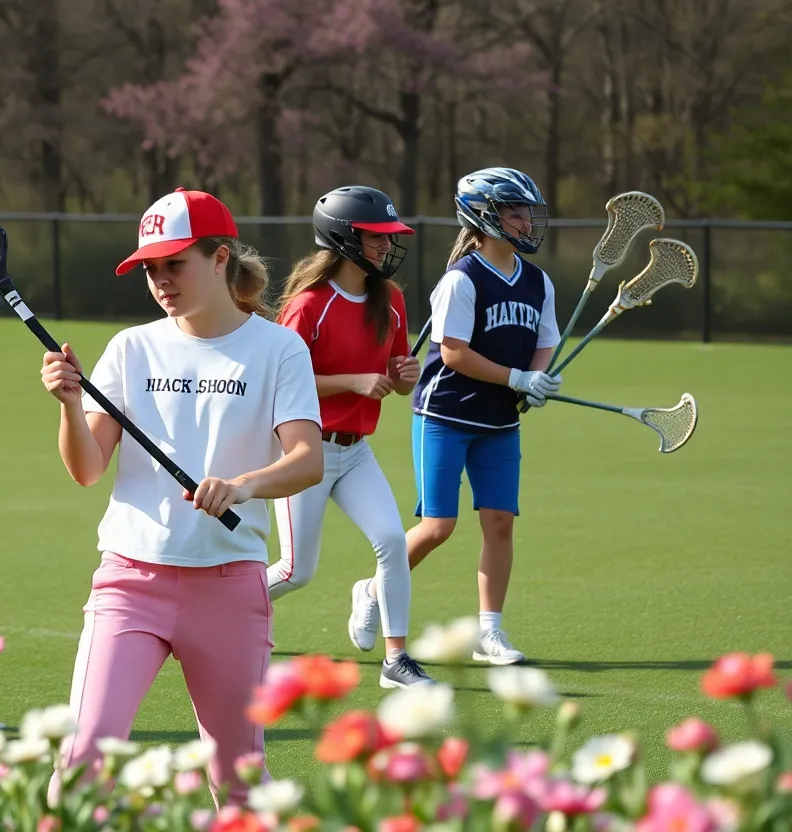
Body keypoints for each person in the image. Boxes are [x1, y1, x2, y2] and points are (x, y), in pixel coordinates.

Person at [40, 188, 323, 806]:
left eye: (176, 263)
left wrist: (242, 485)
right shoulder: (130, 348)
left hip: (227, 588)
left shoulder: (279, 349)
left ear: (220, 258)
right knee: (83, 761)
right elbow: (88, 469)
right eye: (150, 268)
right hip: (128, 585)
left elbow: (307, 460)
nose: (161, 280)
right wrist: (68, 406)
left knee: (238, 779)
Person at [268, 185, 431, 689]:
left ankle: (396, 659)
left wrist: (405, 376)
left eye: (388, 237)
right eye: (376, 237)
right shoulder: (307, 304)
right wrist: (352, 382)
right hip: (303, 451)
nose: (386, 246)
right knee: (296, 571)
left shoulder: (393, 300)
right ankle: (213, 606)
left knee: (390, 540)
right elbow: (281, 382)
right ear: (342, 239)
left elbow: (397, 380)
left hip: (355, 451)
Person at [409, 167, 562, 665]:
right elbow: (452, 353)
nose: (525, 221)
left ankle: (490, 633)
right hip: (446, 414)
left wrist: (537, 379)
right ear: (485, 216)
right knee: (437, 527)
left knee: (499, 524)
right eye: (514, 211)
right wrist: (517, 378)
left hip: (499, 422)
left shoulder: (538, 281)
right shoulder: (461, 280)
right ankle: (372, 592)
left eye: (526, 211)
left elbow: (546, 342)